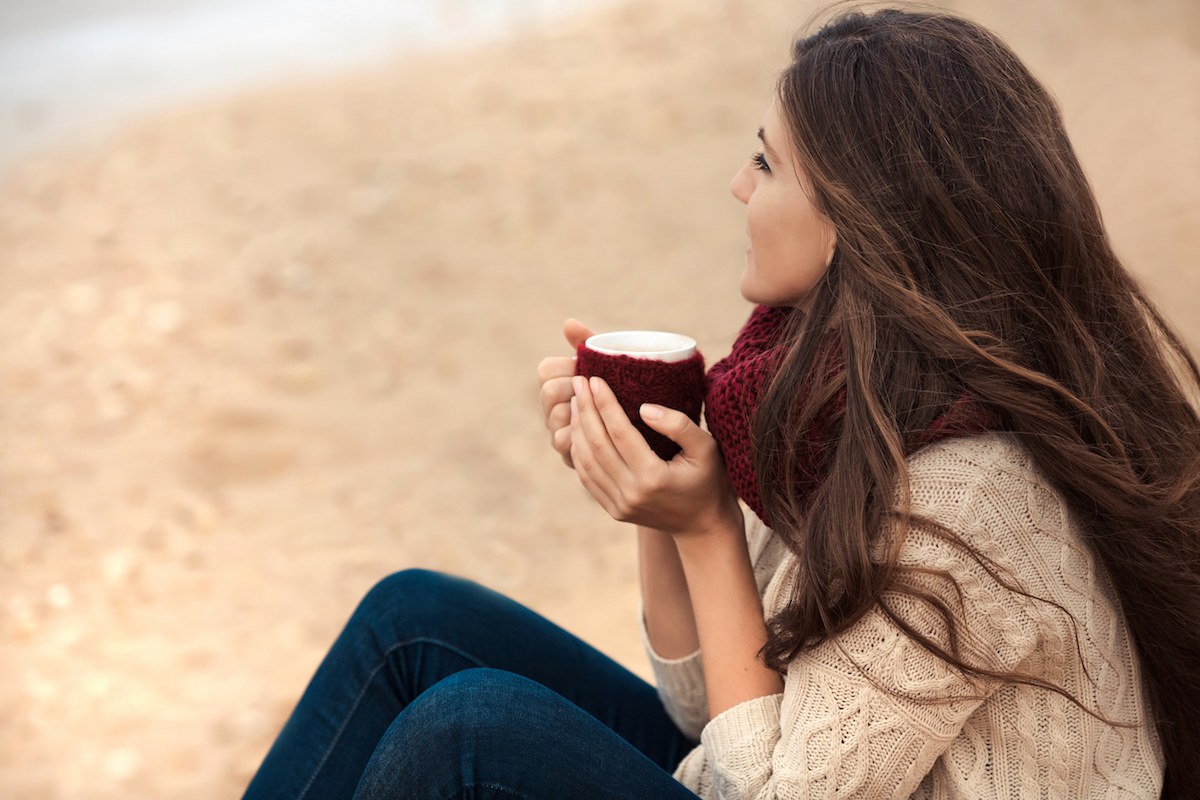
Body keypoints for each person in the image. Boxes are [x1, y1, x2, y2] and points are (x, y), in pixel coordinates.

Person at [241, 6, 1200, 799]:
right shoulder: (843, 401)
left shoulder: (965, 500)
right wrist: (660, 504)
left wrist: (707, 531)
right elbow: (709, 712)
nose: (737, 184)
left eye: (767, 163)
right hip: (758, 774)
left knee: (466, 733)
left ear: (858, 221)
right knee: (411, 624)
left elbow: (765, 792)